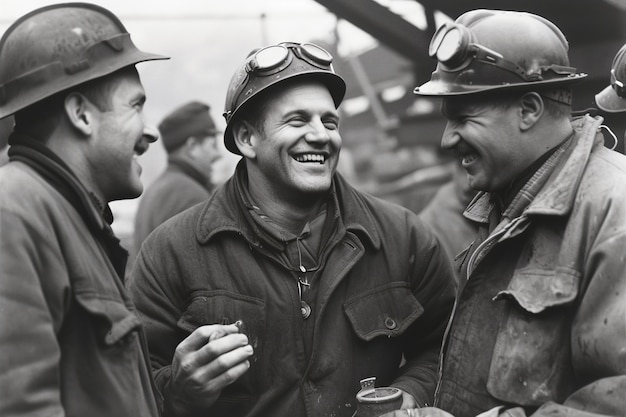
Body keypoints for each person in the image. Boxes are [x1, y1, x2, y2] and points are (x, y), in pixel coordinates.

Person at [128, 41, 457, 417]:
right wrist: (180, 390)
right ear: (246, 139)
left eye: (329, 122)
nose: (321, 135)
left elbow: (445, 346)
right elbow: (129, 383)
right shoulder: (172, 252)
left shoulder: (403, 238)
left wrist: (408, 396)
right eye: (297, 120)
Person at [384, 9, 626, 417]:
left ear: (529, 110)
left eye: (463, 118)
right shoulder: (503, 205)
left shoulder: (612, 212)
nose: (447, 140)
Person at [0, 4, 168, 416]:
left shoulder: (72, 217)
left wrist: (180, 393)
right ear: (81, 115)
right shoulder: (13, 213)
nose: (151, 131)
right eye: (135, 105)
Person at [133, 101, 221, 254]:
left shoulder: (158, 187)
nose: (217, 155)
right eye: (213, 145)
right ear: (192, 146)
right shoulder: (191, 195)